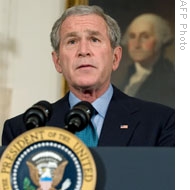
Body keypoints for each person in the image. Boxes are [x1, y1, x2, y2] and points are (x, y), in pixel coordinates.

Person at [2, 5, 174, 147]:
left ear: (115, 57)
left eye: (94, 39)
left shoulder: (161, 123)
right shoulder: (22, 130)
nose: (83, 51)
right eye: (72, 41)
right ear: (58, 61)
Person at [120, 13, 175, 108]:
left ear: (159, 40)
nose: (136, 44)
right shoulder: (128, 73)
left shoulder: (170, 78)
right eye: (132, 36)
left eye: (145, 36)